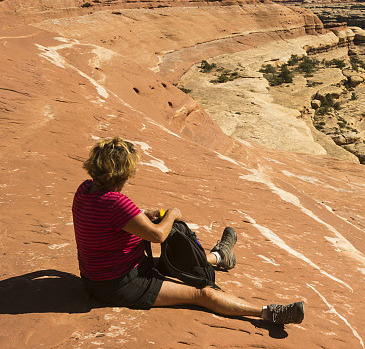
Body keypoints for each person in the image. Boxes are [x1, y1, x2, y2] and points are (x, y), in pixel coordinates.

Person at [72, 136, 304, 324]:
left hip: (104, 273)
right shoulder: (116, 202)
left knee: (179, 260)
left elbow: (110, 219)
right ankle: (268, 313)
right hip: (119, 283)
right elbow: (158, 235)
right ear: (122, 173)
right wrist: (173, 214)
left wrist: (144, 214)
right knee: (202, 293)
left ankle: (220, 257)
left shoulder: (86, 190)